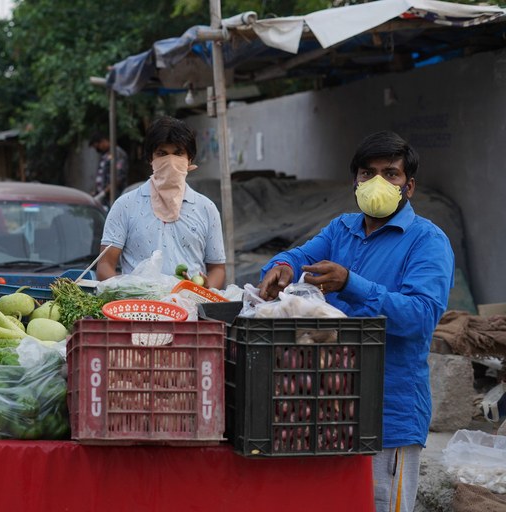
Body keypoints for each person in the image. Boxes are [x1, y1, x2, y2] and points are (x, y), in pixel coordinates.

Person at [257, 131, 454, 512]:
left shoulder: (427, 241)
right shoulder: (341, 228)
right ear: (355, 181)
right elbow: (298, 256)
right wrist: (280, 267)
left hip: (389, 413)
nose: (377, 182)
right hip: (324, 405)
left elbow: (420, 316)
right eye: (368, 173)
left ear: (408, 187)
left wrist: (351, 283)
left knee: (379, 504)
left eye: (391, 174)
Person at [97, 116, 226, 289]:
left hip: (192, 309)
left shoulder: (206, 208)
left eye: (178, 153)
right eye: (162, 154)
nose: (170, 161)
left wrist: (206, 288)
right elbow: (105, 265)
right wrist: (129, 294)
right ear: (151, 159)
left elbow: (217, 268)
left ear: (189, 160)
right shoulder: (125, 205)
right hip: (139, 311)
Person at [89, 132, 129, 206]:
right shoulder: (105, 155)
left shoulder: (118, 153)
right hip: (105, 198)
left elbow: (119, 177)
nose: (97, 149)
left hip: (114, 196)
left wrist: (104, 192)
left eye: (97, 146)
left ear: (103, 141)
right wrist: (97, 192)